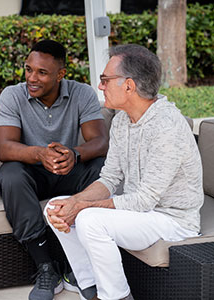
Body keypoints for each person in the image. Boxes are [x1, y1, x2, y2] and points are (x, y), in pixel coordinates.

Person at [45, 44, 204, 300]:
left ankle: (116, 297)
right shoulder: (121, 119)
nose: (100, 87)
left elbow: (144, 200)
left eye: (105, 80)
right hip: (142, 215)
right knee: (55, 207)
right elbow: (110, 178)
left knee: (89, 219)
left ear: (128, 86)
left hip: (173, 221)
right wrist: (73, 202)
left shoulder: (167, 127)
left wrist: (82, 208)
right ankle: (92, 289)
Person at [0, 39, 108, 300]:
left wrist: (75, 154)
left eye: (42, 72)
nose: (32, 78)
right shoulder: (13, 95)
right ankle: (45, 266)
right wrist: (39, 153)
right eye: (28, 69)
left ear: (61, 74)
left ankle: (76, 267)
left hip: (69, 169)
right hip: (32, 173)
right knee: (9, 174)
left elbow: (100, 142)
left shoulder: (82, 94)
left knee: (101, 169)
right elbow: (4, 148)